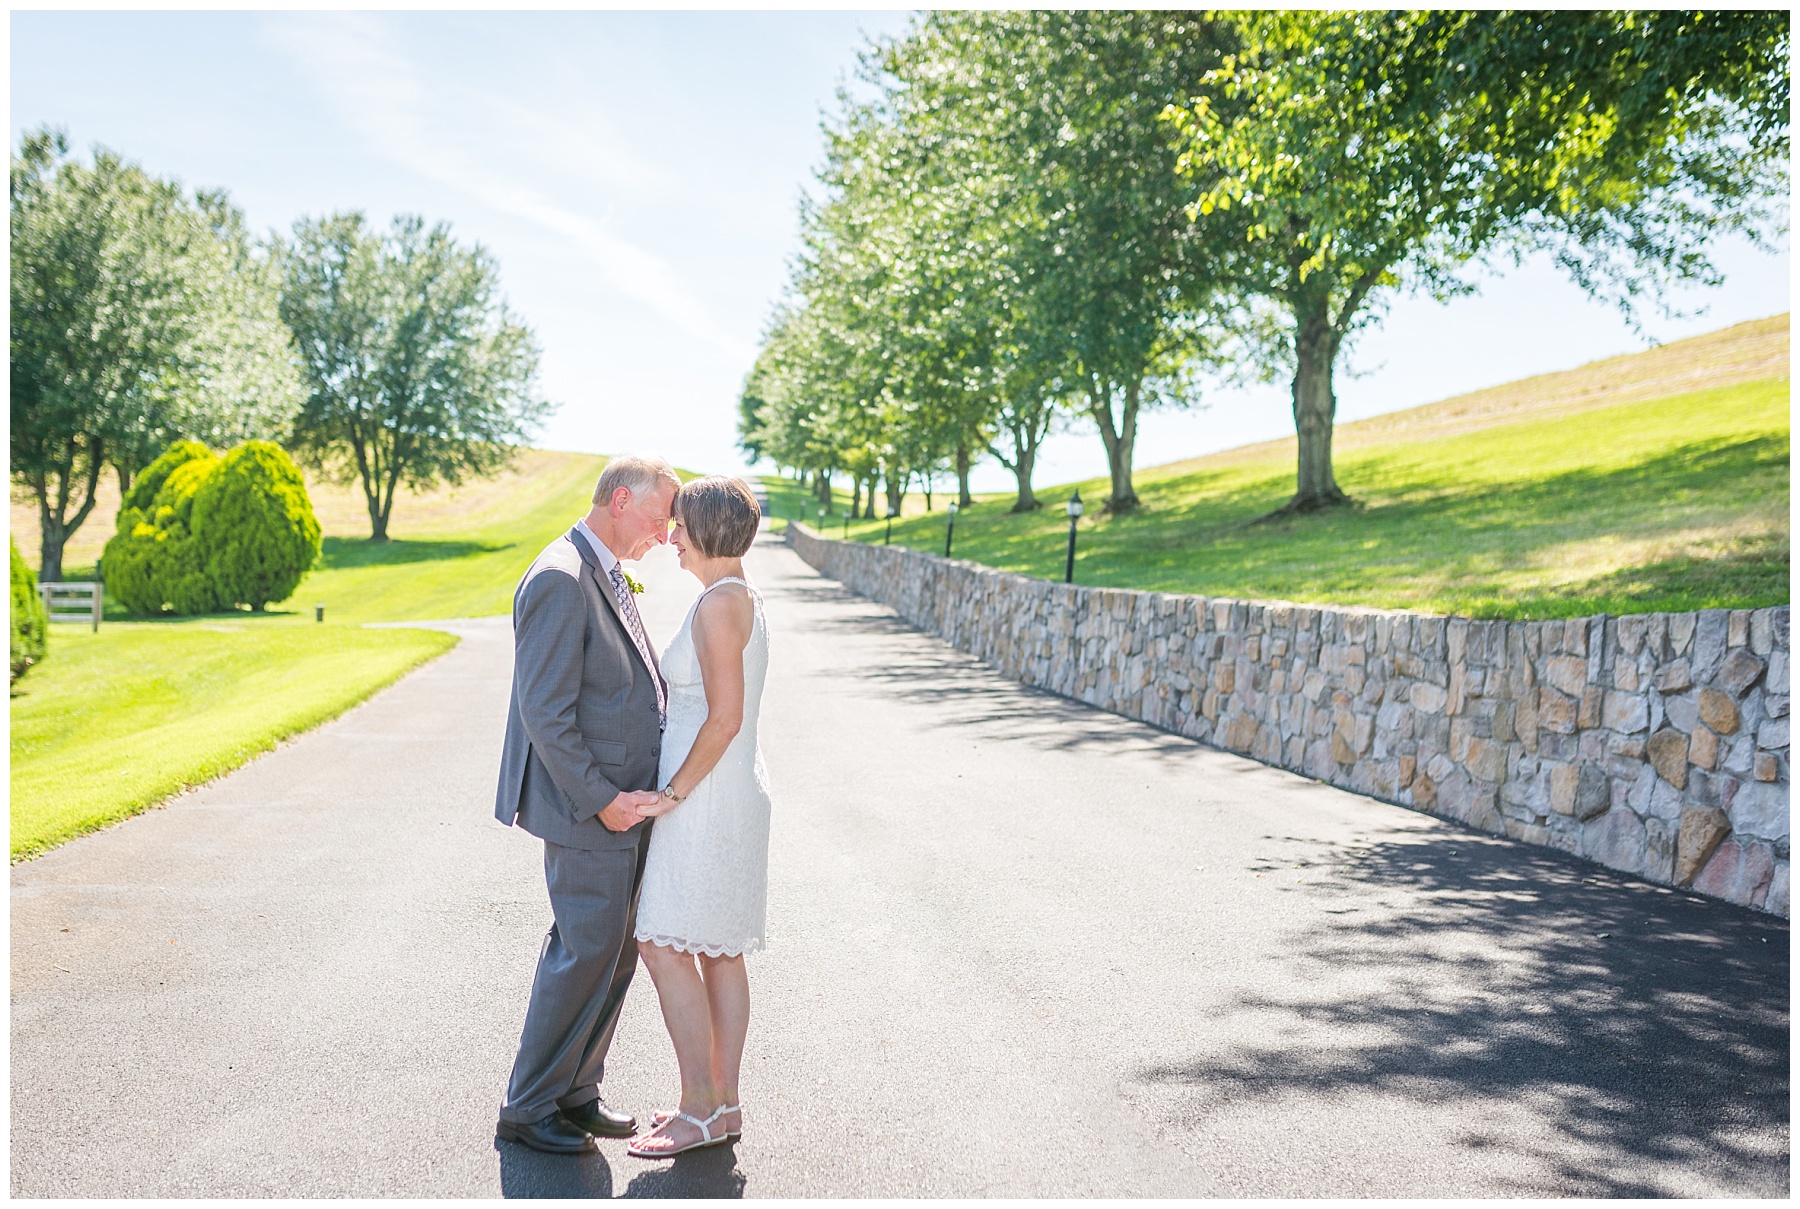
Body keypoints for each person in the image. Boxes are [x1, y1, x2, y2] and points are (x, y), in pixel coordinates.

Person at [492, 454, 681, 1155]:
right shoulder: (560, 577)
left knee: (614, 952)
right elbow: (546, 711)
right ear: (623, 500)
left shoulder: (599, 565)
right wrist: (602, 800)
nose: (665, 536)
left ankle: (575, 1090)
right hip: (587, 808)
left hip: (622, 807)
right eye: (661, 519)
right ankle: (529, 1104)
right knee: (582, 951)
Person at [625, 475, 773, 1159]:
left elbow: (725, 717)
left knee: (662, 942)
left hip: (706, 800)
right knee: (717, 949)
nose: (672, 538)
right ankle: (723, 1103)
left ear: (707, 529)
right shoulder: (737, 596)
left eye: (681, 526)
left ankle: (698, 1105)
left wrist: (672, 795)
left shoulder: (720, 604)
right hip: (725, 792)